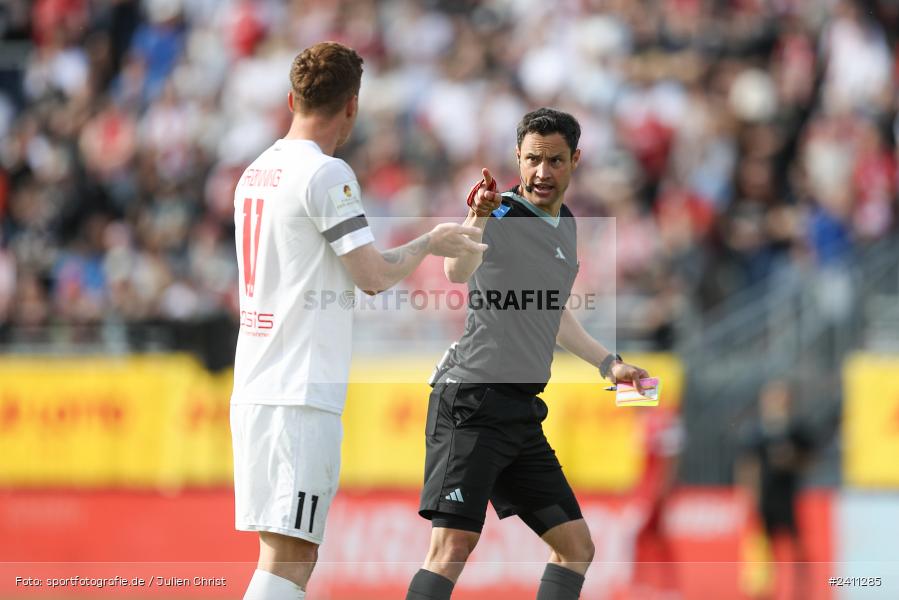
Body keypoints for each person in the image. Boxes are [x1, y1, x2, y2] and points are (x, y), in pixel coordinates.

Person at [230, 41, 486, 600]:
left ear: (291, 97)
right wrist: (431, 240)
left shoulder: (256, 170)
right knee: (292, 559)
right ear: (352, 106)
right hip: (300, 389)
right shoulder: (326, 174)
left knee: (279, 553)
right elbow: (371, 275)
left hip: (256, 382)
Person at [405, 108, 651, 600]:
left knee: (576, 548)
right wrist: (475, 216)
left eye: (555, 160)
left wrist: (609, 363)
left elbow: (554, 313)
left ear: (575, 160)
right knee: (452, 547)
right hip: (471, 402)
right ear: (518, 156)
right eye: (533, 159)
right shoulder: (501, 213)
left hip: (518, 411)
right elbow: (457, 269)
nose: (542, 172)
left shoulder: (566, 225)